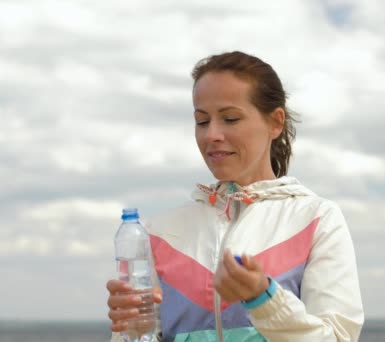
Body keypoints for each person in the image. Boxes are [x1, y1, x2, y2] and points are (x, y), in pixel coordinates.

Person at [106, 51, 364, 341]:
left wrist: (263, 299)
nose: (212, 134)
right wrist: (135, 331)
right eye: (202, 121)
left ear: (275, 122)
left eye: (230, 118)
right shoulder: (160, 233)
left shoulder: (315, 219)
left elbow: (338, 338)